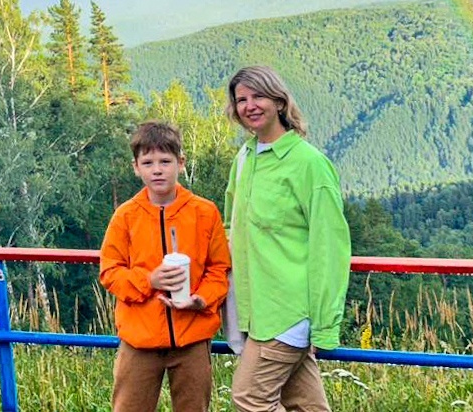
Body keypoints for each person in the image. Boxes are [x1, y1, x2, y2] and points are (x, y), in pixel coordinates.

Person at [223, 66, 351, 412]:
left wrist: (324, 324)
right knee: (305, 405)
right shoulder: (245, 157)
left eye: (258, 96)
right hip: (256, 308)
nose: (249, 105)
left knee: (250, 398)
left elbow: (331, 247)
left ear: (279, 101)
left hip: (288, 313)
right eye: (241, 100)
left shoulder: (309, 164)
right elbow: (231, 225)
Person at [100, 121, 231, 412]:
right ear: (136, 167)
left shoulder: (204, 212)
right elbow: (110, 271)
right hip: (139, 340)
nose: (157, 169)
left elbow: (218, 269)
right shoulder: (126, 216)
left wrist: (202, 300)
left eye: (165, 161)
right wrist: (150, 280)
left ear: (180, 163)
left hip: (193, 340)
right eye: (148, 162)